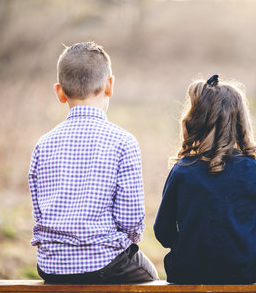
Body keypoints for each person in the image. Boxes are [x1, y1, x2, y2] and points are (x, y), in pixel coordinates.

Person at [28, 42, 158, 284]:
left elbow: (39, 211)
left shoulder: (43, 145)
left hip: (51, 265)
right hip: (103, 261)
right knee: (151, 277)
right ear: (110, 85)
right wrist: (126, 240)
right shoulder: (123, 142)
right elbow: (130, 219)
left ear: (59, 91)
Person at [153, 75, 256, 284]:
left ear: (195, 119)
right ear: (241, 121)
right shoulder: (253, 169)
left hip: (188, 271)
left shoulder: (182, 170)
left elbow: (162, 230)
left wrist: (188, 246)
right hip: (245, 269)